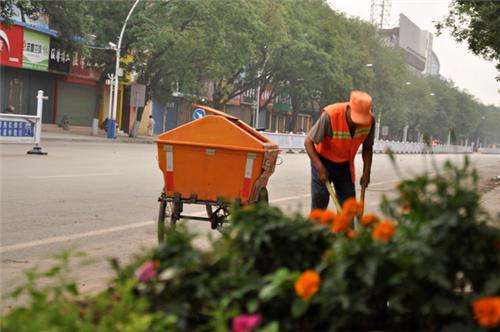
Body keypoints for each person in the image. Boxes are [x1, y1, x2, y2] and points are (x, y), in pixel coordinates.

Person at [304, 90, 374, 210]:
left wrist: (366, 172)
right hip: (323, 161)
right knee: (320, 199)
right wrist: (319, 167)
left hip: (344, 165)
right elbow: (308, 142)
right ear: (349, 109)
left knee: (348, 205)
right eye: (356, 120)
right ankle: (315, 227)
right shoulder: (331, 115)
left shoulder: (370, 121)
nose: (358, 125)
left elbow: (367, 148)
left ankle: (346, 228)